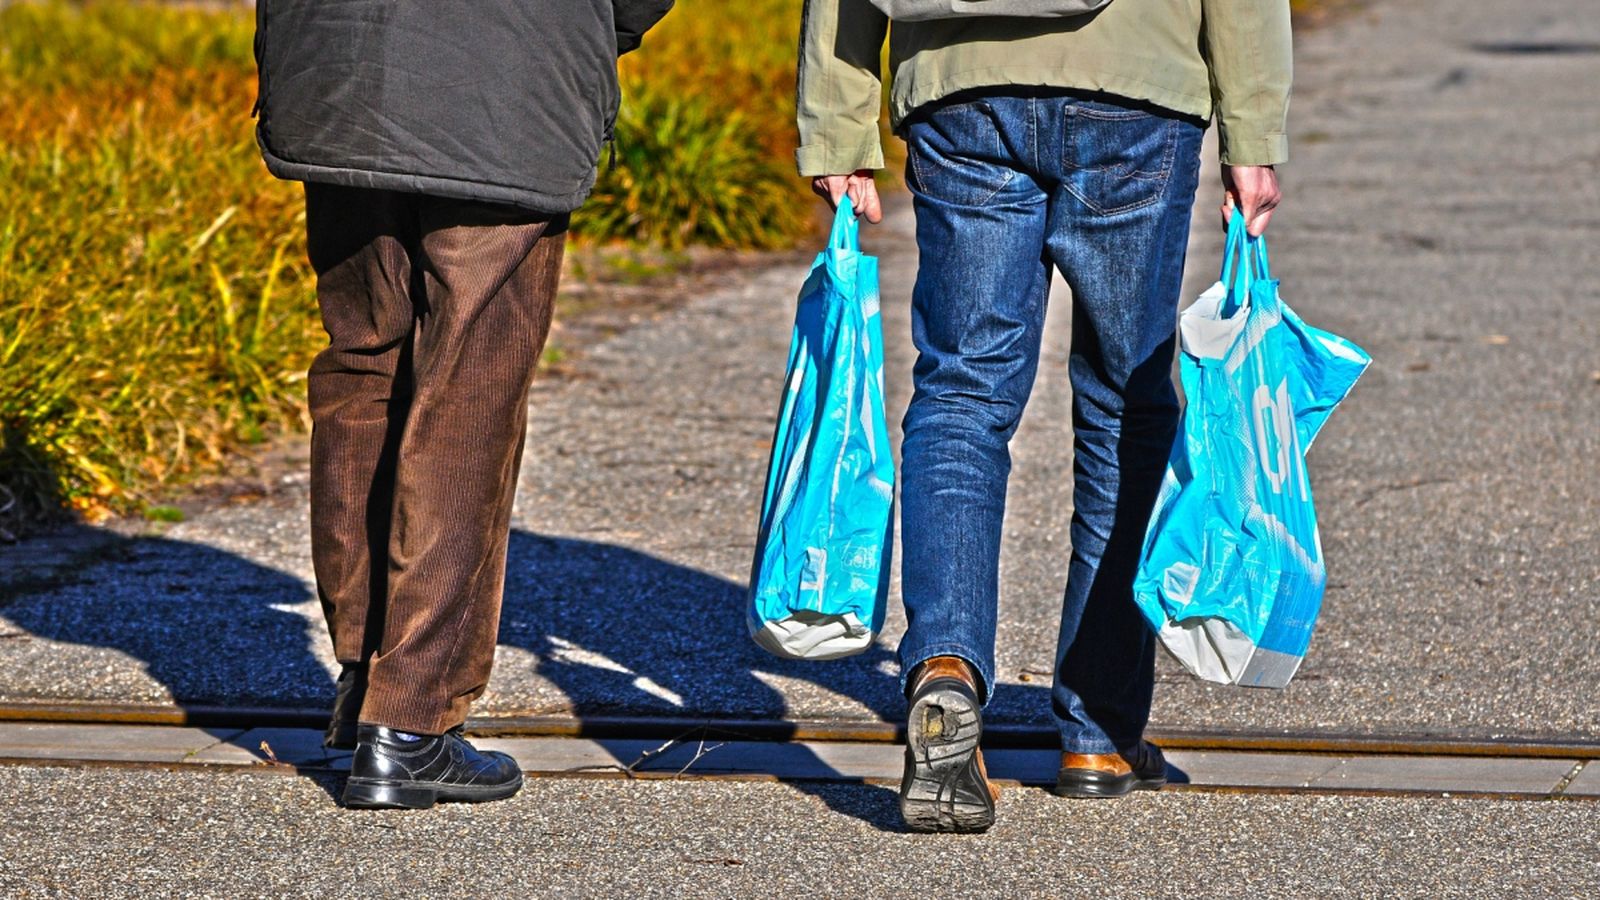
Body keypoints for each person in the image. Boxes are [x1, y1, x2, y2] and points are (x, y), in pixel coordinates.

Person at [797, 0, 1291, 831]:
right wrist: (1254, 133)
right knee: (1124, 406)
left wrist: (837, 121)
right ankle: (1099, 733)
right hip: (1134, 83)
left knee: (961, 393)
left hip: (959, 85)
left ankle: (945, 668)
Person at [253, 0, 674, 810]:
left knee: (362, 370)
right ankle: (408, 723)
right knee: (466, 394)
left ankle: (362, 680)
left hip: (337, 69)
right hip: (504, 80)